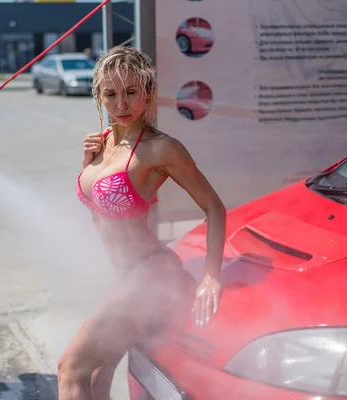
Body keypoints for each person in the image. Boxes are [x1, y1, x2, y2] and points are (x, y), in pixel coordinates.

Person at [58, 45, 227, 399]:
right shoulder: (101, 144)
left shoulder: (159, 149)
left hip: (151, 273)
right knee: (95, 376)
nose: (121, 104)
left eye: (131, 92)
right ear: (99, 96)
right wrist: (87, 163)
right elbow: (99, 207)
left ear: (148, 93)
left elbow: (213, 207)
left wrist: (211, 276)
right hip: (124, 276)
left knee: (70, 368)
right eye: (111, 94)